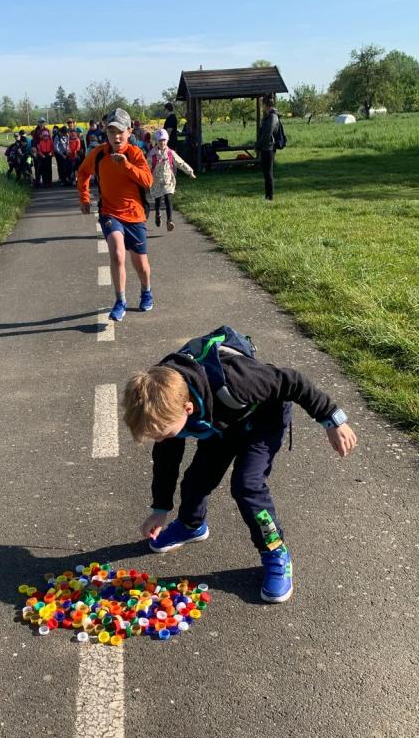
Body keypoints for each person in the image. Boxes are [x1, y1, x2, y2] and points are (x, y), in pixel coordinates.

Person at [121, 331, 358, 602]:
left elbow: (292, 381)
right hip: (221, 423)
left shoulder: (237, 380)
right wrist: (160, 508)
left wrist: (332, 420)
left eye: (164, 434)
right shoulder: (163, 405)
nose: (160, 440)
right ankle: (190, 525)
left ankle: (275, 551)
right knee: (196, 479)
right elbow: (166, 461)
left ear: (187, 409)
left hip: (263, 421)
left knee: (247, 486)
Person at [77, 107, 154, 322]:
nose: (116, 136)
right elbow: (83, 172)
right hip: (110, 212)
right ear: (106, 133)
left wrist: (126, 165)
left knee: (141, 266)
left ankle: (146, 291)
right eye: (111, 132)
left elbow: (147, 181)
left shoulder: (135, 153)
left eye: (120, 131)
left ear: (129, 131)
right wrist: (84, 197)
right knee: (118, 254)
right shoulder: (99, 154)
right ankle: (120, 300)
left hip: (135, 215)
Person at [149, 128, 195, 231]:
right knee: (157, 200)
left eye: (164, 140)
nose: (162, 143)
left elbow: (180, 163)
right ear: (156, 141)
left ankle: (169, 221)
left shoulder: (170, 153)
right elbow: (146, 167)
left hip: (168, 181)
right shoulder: (152, 155)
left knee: (168, 198)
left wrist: (190, 171)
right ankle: (157, 214)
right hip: (156, 182)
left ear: (167, 140)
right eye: (160, 140)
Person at [256, 94, 280, 201]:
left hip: (269, 148)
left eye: (262, 104)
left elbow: (267, 133)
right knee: (266, 174)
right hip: (264, 148)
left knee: (269, 174)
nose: (262, 106)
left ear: (266, 105)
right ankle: (267, 197)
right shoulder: (267, 116)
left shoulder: (273, 117)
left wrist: (258, 145)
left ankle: (270, 198)